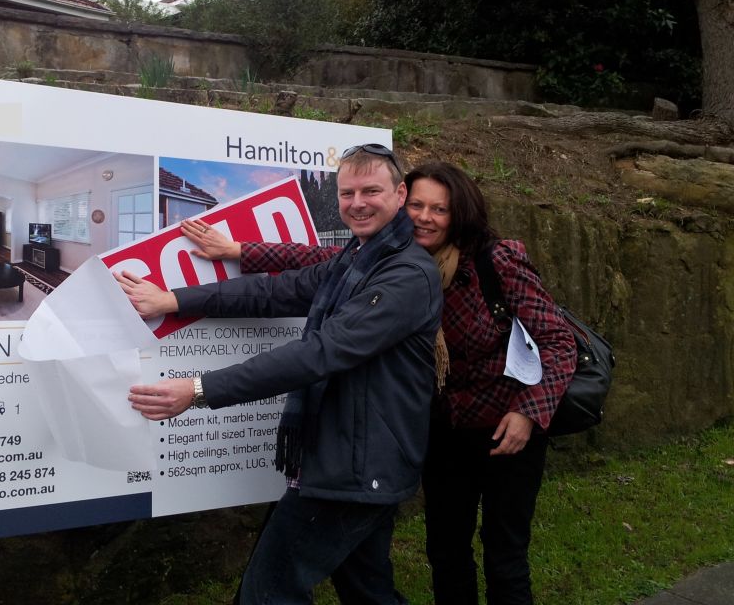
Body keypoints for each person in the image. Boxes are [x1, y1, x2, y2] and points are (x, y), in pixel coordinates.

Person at [179, 160, 577, 605]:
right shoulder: (389, 259)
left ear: (460, 213)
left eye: (439, 209)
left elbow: (558, 341)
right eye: (418, 206)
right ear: (403, 203)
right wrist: (237, 250)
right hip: (443, 428)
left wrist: (528, 411)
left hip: (507, 426)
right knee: (446, 551)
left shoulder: (494, 261)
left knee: (505, 554)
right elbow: (315, 263)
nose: (425, 217)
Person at [115, 144, 443, 605]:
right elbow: (274, 291)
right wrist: (176, 300)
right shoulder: (355, 259)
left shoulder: (406, 275)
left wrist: (199, 389)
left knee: (267, 594)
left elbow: (321, 353)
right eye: (347, 192)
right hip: (363, 461)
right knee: (367, 590)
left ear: (399, 192)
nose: (357, 203)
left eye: (371, 190)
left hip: (356, 468)